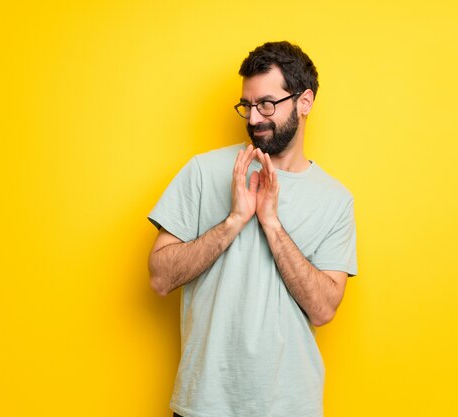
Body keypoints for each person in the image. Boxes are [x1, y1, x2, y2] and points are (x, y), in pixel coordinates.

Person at [148, 41, 357, 417]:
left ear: (304, 102)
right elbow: (159, 278)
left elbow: (325, 309)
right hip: (203, 404)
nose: (253, 118)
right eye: (247, 105)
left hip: (290, 406)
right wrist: (233, 221)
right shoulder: (202, 171)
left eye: (267, 104)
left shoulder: (335, 199)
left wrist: (271, 224)